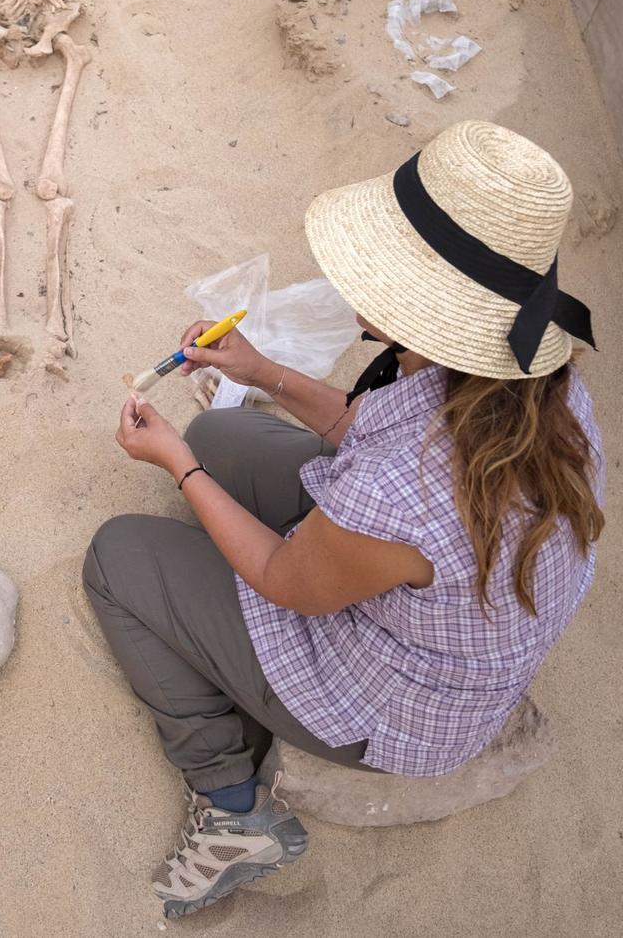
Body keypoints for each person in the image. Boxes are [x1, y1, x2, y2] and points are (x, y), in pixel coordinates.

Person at [84, 120, 604, 920]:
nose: (357, 288)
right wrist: (262, 373)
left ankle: (232, 811)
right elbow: (378, 428)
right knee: (221, 430)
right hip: (425, 604)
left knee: (121, 556)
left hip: (390, 710)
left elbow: (285, 581)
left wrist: (175, 469)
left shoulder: (403, 496)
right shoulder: (539, 392)